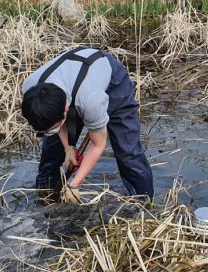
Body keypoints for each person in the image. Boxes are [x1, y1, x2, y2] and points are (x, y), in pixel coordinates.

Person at [21, 46, 154, 203]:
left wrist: (75, 184)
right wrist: (68, 148)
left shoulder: (91, 101)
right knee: (51, 149)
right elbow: (56, 126)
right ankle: (46, 194)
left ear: (65, 110)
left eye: (55, 126)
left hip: (111, 82)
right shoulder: (31, 88)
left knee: (127, 151)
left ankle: (143, 200)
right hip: (74, 80)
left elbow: (98, 145)